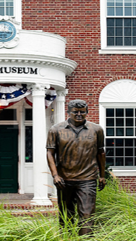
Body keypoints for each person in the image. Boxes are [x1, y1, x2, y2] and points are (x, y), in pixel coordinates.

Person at [46, 99, 106, 235]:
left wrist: (102, 176)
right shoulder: (56, 130)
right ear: (68, 112)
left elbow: (101, 153)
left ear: (87, 112)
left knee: (87, 215)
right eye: (75, 112)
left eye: (82, 112)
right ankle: (67, 238)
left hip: (87, 179)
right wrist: (55, 175)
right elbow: (50, 153)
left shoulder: (96, 130)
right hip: (64, 180)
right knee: (66, 215)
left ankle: (85, 239)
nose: (79, 114)